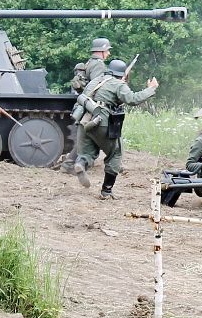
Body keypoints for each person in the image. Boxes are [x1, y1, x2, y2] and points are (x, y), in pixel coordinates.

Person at [73, 59, 158, 200]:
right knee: (115, 154)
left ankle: (80, 164)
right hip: (102, 121)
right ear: (122, 74)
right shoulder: (118, 84)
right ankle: (106, 191)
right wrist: (151, 89)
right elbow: (133, 99)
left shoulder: (96, 81)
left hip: (84, 120)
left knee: (87, 152)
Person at [61, 38, 111, 174]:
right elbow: (98, 86)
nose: (108, 54)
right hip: (92, 105)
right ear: (102, 51)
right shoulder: (99, 65)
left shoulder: (89, 63)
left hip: (86, 102)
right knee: (101, 135)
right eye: (107, 50)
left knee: (85, 138)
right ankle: (113, 162)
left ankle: (69, 164)